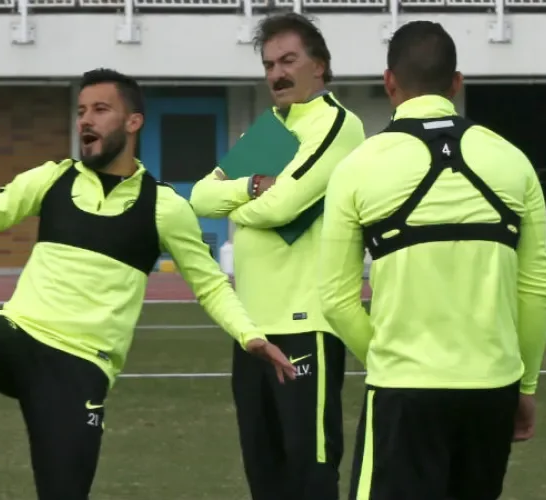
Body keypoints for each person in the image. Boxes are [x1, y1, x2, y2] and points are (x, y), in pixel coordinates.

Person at [0, 68, 297, 498]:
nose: (85, 121)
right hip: (21, 336)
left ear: (133, 122)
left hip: (81, 370)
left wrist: (250, 336)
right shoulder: (52, 179)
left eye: (99, 110)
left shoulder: (165, 207)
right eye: (80, 111)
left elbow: (210, 284)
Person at [317, 21, 546, 500]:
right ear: (457, 82)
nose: (278, 73)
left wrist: (391, 359)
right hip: (493, 390)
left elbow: (337, 299)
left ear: (389, 83)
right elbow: (536, 291)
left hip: (404, 390)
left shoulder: (357, 165)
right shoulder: (513, 160)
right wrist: (523, 383)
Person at [189, 13, 366, 500]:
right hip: (253, 333)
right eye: (269, 64)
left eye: (289, 60)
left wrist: (245, 206)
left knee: (310, 478)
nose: (276, 74)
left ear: (320, 67)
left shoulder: (337, 125)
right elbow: (201, 197)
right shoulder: (272, 130)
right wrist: (252, 187)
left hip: (306, 325)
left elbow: (282, 206)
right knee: (265, 481)